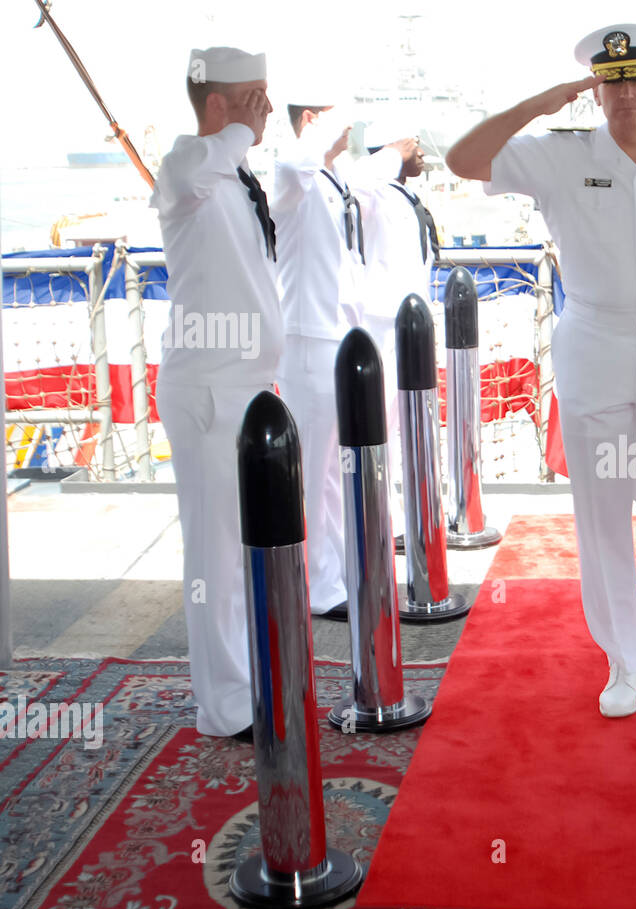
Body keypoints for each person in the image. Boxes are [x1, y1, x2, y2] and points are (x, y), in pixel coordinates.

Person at [445, 23, 636, 718]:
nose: (623, 94)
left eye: (633, 79)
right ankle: (623, 659)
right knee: (602, 508)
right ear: (595, 90)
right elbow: (463, 159)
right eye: (609, 82)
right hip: (595, 345)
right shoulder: (559, 156)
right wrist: (539, 105)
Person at [151, 47, 281, 739]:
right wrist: (236, 131)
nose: (266, 109)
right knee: (215, 556)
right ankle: (225, 708)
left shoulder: (232, 176)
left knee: (242, 552)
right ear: (219, 104)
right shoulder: (188, 164)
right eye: (253, 97)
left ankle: (246, 682)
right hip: (207, 391)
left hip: (246, 387)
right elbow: (197, 164)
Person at [270, 91, 363, 621]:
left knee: (333, 470)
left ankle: (339, 575)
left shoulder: (331, 181)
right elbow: (289, 163)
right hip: (306, 340)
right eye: (337, 121)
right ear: (312, 120)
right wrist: (325, 126)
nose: (349, 131)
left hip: (335, 336)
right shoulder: (295, 180)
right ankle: (316, 586)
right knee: (313, 471)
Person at [351, 130, 434, 540]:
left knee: (409, 425)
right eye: (413, 143)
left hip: (411, 328)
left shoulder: (402, 194)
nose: (421, 151)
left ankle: (413, 512)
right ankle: (385, 518)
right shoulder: (373, 192)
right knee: (380, 427)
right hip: (382, 326)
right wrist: (388, 156)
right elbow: (356, 182)